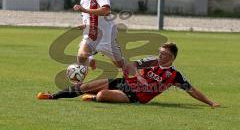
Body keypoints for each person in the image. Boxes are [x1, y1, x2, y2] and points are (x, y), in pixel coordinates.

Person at [37, 42, 220, 108]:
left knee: (101, 95)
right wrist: (137, 75)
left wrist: (211, 103)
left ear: (172, 57)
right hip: (123, 83)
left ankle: (94, 98)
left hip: (134, 95)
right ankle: (53, 96)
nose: (160, 55)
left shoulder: (174, 76)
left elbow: (192, 90)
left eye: (163, 53)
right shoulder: (152, 61)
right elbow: (131, 64)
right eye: (160, 51)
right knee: (86, 86)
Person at [71, 0, 125, 70]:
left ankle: (140, 72)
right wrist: (84, 25)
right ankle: (79, 84)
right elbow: (89, 19)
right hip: (92, 35)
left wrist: (85, 10)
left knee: (121, 65)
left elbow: (106, 10)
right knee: (81, 57)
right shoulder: (83, 1)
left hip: (106, 37)